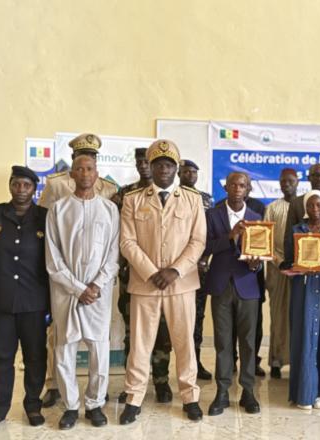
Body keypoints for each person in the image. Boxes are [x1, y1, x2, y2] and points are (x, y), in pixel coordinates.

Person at [118, 140, 206, 424]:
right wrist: (150, 271)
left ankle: (190, 396)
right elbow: (127, 241)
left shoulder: (193, 199)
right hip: (145, 285)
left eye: (169, 165)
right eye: (158, 164)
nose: (164, 169)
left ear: (176, 169)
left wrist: (174, 271)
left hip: (180, 284)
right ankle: (134, 397)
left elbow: (198, 241)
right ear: (150, 167)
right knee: (140, 344)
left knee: (184, 343)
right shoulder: (133, 199)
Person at [37, 133, 118, 408]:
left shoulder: (109, 209)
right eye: (80, 168)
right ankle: (71, 405)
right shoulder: (58, 209)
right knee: (63, 349)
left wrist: (95, 285)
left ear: (97, 174)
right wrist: (77, 288)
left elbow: (113, 254)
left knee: (99, 350)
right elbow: (53, 257)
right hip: (66, 292)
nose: (85, 173)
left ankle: (95, 404)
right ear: (71, 173)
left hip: (99, 293)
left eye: (91, 168)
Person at [0, 166, 49, 431]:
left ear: (33, 189)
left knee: (35, 357)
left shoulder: (45, 217)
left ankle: (32, 405)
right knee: (1, 357)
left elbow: (52, 263)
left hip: (34, 302)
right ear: (10, 185)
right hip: (0, 301)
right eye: (16, 184)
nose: (21, 190)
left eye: (26, 186)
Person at [113, 147, 174, 404]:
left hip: (168, 277)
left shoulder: (176, 195)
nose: (144, 167)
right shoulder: (125, 195)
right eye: (140, 162)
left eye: (147, 162)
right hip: (135, 277)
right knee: (134, 335)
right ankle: (133, 386)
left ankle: (161, 382)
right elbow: (118, 237)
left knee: (164, 333)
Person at [204, 172, 263, 416]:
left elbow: (260, 256)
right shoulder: (212, 215)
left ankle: (248, 391)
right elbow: (205, 247)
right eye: (233, 184)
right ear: (226, 187)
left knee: (248, 343)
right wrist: (231, 237)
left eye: (242, 185)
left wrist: (256, 264)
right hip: (220, 285)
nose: (237, 188)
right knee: (222, 342)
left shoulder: (257, 218)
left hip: (248, 285)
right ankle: (222, 392)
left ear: (248, 189)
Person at [281, 190, 320, 409]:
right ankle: (304, 393)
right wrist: (294, 268)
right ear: (305, 208)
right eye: (311, 206)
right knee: (304, 336)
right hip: (303, 289)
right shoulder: (296, 230)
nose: (315, 209)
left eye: (319, 205)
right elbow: (287, 261)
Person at [179, 159, 215, 381]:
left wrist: (204, 259)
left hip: (198, 269)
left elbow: (208, 234)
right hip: (172, 267)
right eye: (186, 172)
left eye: (194, 172)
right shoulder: (173, 195)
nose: (190, 175)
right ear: (179, 174)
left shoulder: (206, 199)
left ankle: (196, 361)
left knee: (197, 318)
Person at [263, 168, 298, 379]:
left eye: (291, 181)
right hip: (278, 270)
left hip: (301, 270)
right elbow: (265, 241)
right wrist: (280, 262)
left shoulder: (304, 206)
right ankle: (275, 361)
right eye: (283, 181)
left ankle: (297, 360)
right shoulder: (272, 208)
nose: (287, 184)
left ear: (297, 182)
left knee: (297, 317)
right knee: (278, 317)